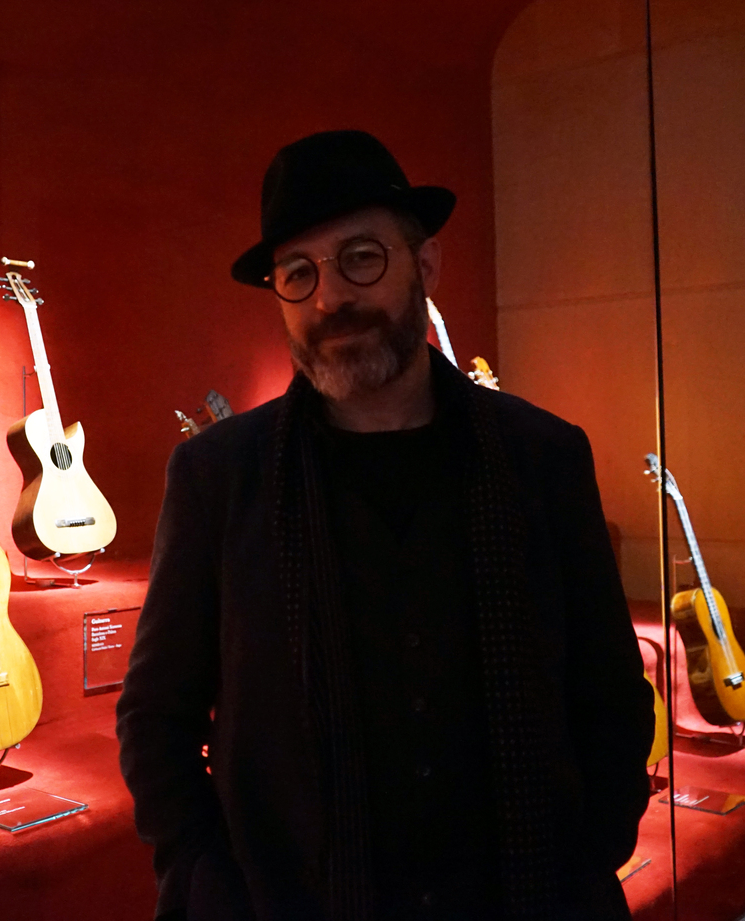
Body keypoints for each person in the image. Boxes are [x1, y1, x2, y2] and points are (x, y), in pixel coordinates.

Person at [115, 130, 655, 921]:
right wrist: (205, 880)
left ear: (424, 265)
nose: (329, 297)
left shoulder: (543, 456)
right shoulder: (217, 478)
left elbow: (608, 691)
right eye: (297, 273)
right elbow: (156, 716)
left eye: (360, 258)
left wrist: (585, 858)